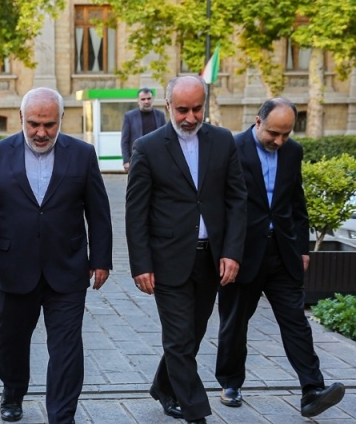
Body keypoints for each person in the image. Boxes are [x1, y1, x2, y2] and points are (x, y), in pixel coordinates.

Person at [0, 87, 113, 424]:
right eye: (34, 124)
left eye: (49, 124)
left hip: (68, 266)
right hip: (14, 266)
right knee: (10, 340)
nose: (41, 132)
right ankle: (13, 390)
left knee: (67, 347)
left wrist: (101, 259)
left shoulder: (83, 154)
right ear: (21, 118)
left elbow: (99, 211)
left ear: (61, 119)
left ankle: (61, 415)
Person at [125, 75, 247, 424]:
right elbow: (136, 212)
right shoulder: (147, 147)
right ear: (168, 106)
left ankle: (163, 387)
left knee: (192, 334)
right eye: (182, 110)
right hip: (167, 259)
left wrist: (232, 252)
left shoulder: (222, 141)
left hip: (211, 259)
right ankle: (196, 411)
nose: (190, 117)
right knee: (179, 338)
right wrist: (141, 264)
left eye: (197, 109)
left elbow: (237, 200)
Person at [215, 98, 345, 417]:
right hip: (241, 254)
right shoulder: (232, 149)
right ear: (258, 121)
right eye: (274, 133)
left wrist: (302, 248)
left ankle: (312, 389)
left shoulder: (293, 151)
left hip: (283, 252)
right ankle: (231, 383)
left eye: (286, 134)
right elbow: (220, 205)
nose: (279, 141)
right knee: (235, 322)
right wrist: (226, 253)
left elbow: (296, 202)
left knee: (295, 320)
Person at [121, 87, 167, 172]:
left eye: (149, 98)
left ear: (152, 99)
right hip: (137, 159)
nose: (146, 101)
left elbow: (165, 137)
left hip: (157, 159)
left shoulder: (160, 115)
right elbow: (125, 141)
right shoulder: (129, 116)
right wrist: (126, 160)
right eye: (143, 99)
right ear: (138, 101)